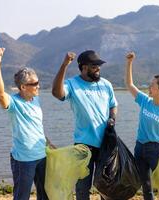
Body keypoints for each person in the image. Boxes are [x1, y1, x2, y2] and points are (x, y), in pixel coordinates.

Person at [52, 50, 118, 200]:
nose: (98, 68)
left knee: (106, 186)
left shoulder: (106, 84)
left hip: (106, 143)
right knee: (82, 187)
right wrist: (64, 65)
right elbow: (57, 93)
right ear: (84, 67)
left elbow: (113, 105)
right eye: (94, 66)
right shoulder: (72, 84)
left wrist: (112, 118)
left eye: (99, 65)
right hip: (83, 146)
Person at [0, 39, 52, 200]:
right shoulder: (14, 103)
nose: (38, 86)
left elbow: (36, 126)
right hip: (23, 160)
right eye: (35, 83)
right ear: (23, 87)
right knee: (22, 196)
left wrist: (48, 142)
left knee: (44, 194)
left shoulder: (36, 100)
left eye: (38, 82)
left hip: (41, 155)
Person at [125, 52, 159, 200]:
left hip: (156, 150)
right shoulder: (145, 101)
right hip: (140, 147)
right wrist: (129, 63)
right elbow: (129, 84)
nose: (149, 86)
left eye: (152, 85)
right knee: (145, 185)